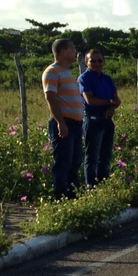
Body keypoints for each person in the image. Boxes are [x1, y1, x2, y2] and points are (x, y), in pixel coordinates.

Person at [42, 38, 84, 199]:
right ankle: (59, 197)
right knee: (63, 163)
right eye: (72, 49)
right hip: (64, 123)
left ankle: (73, 196)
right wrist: (60, 122)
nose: (75, 52)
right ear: (63, 51)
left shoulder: (66, 72)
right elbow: (50, 97)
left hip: (75, 124)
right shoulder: (52, 72)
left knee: (74, 162)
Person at [78, 48, 121, 188]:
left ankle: (103, 184)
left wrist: (111, 107)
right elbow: (90, 100)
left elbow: (117, 101)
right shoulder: (84, 78)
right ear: (86, 63)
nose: (96, 63)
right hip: (93, 119)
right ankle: (90, 185)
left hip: (107, 119)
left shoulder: (107, 79)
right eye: (93, 61)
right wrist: (109, 102)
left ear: (104, 62)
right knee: (92, 156)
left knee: (106, 155)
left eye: (100, 60)